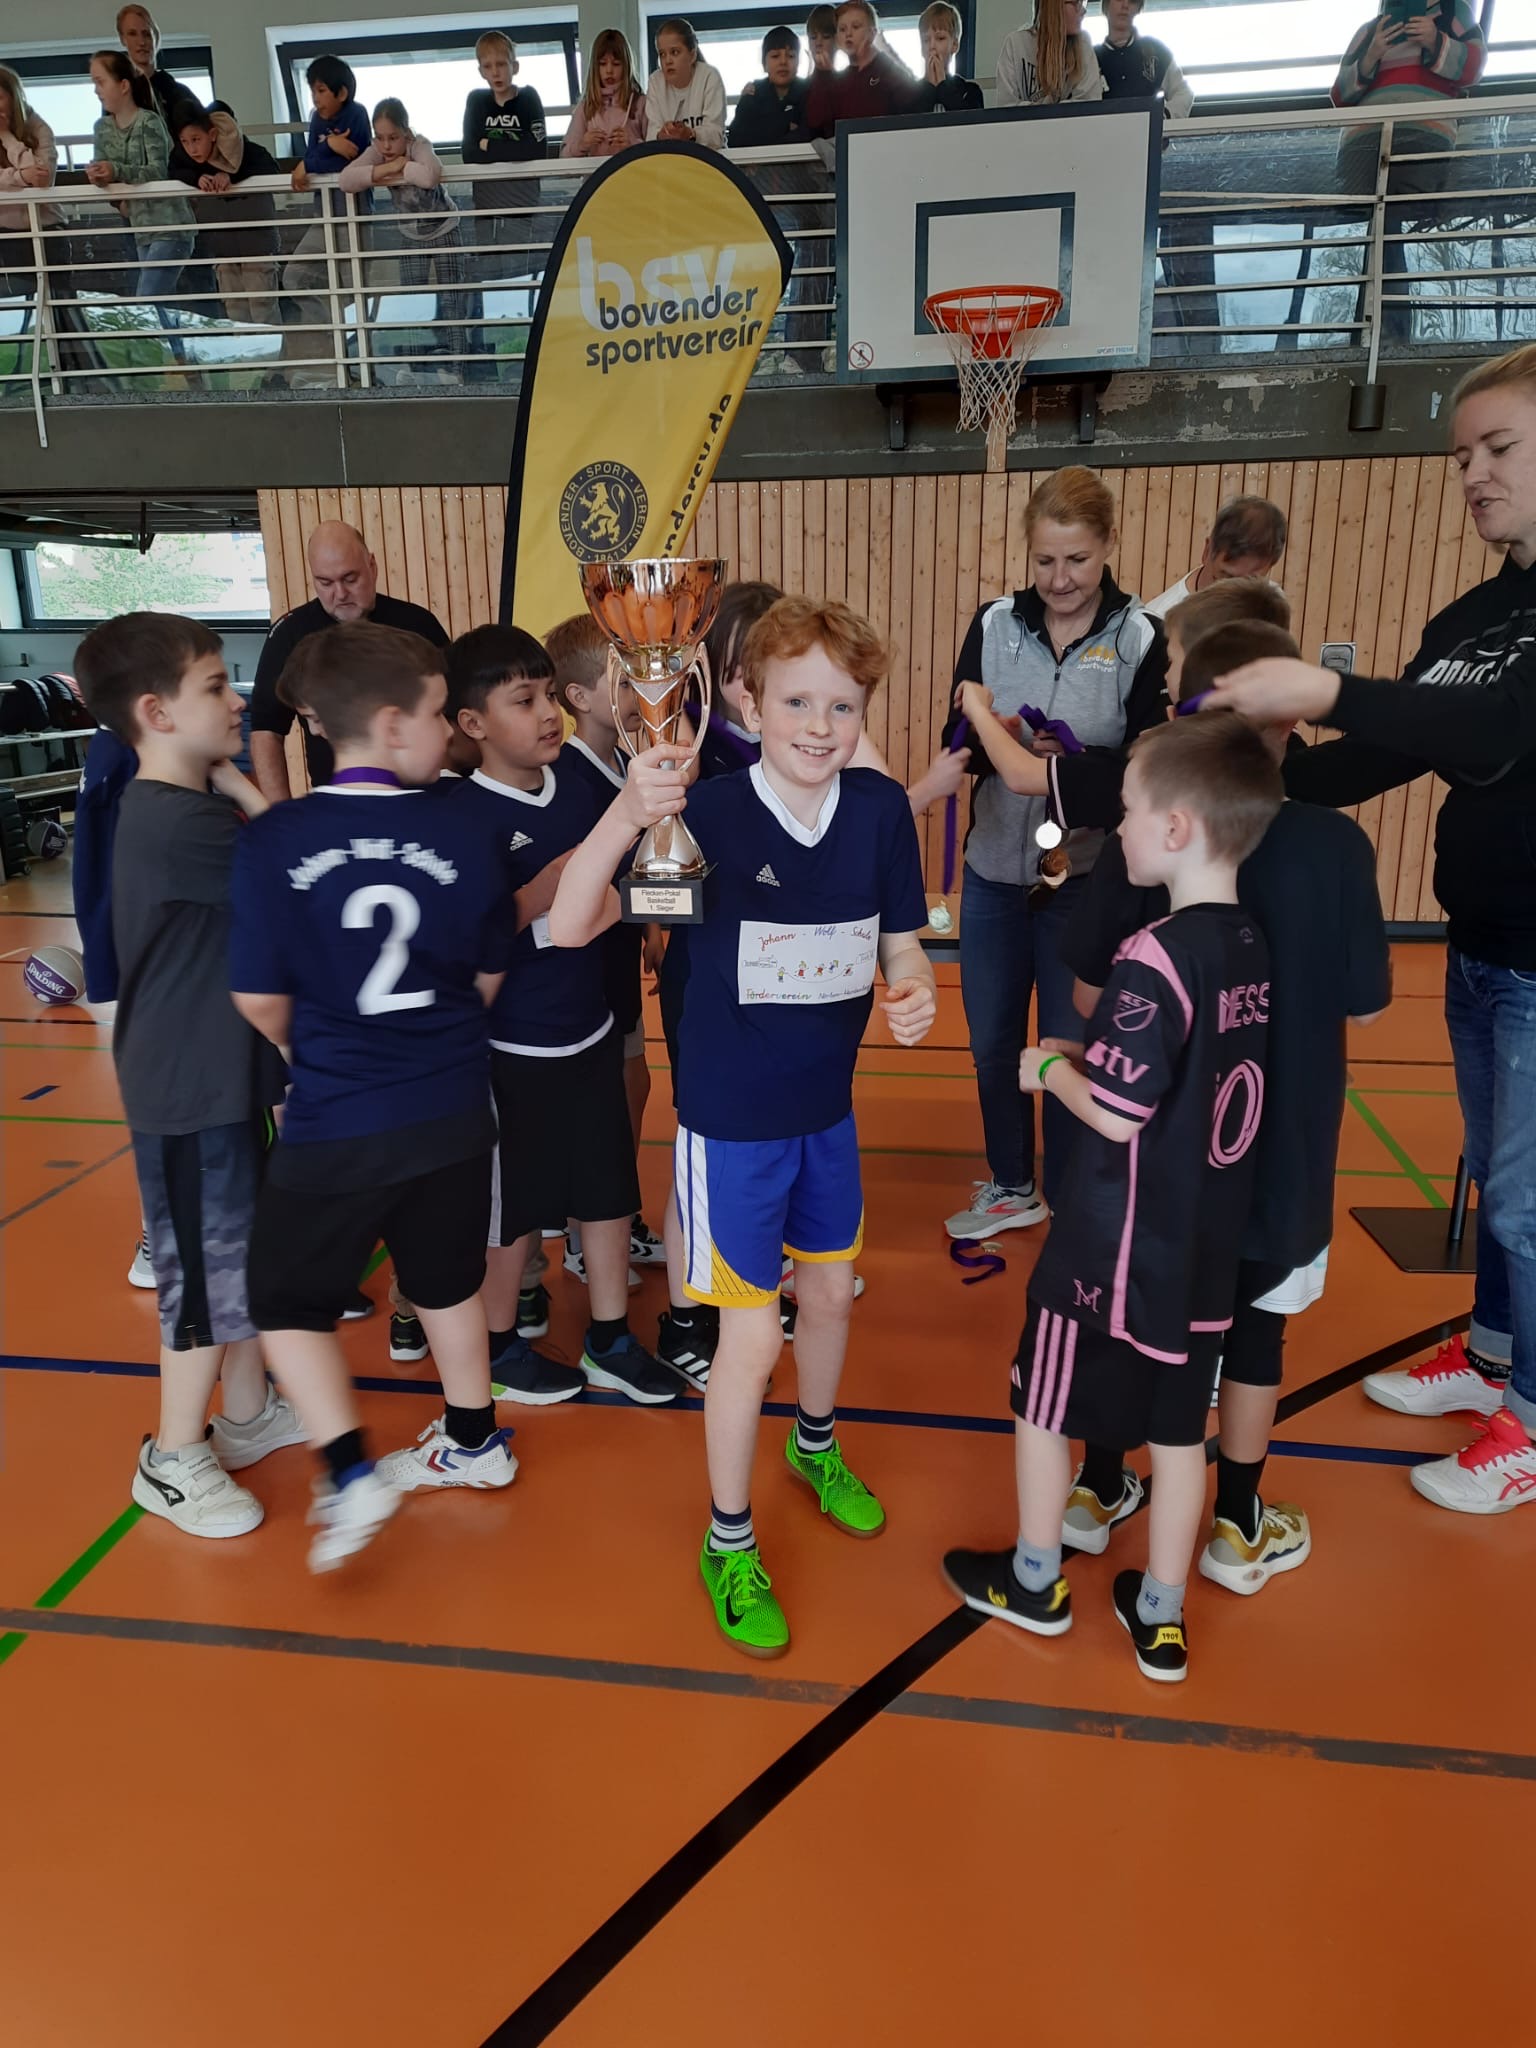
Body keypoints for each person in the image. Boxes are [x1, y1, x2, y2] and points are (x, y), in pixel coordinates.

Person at [550, 596, 937, 1658]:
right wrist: (626, 812)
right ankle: (728, 1538)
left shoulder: (877, 810)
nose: (821, 725)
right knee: (753, 1337)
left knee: (830, 1297)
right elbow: (573, 923)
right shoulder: (707, 816)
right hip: (729, 1129)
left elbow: (901, 943)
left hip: (827, 1116)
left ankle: (815, 1445)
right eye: (798, 702)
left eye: (843, 706)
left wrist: (911, 988)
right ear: (748, 706)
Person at [1209, 343, 1536, 1517]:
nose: (1474, 473)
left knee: (1527, 1201)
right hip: (1484, 939)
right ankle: (1491, 1351)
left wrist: (1327, 691)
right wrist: (1238, 775)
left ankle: (1531, 1420)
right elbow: (1389, 752)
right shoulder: (1474, 613)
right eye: (1462, 455)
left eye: (1499, 448)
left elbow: (1499, 726)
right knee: (1497, 1176)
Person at [944, 713, 1282, 1683]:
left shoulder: (1153, 954)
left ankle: (1035, 1579)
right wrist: (1090, 1057)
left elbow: (1122, 1114)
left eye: (1128, 812)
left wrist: (1050, 1069)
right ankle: (1162, 1617)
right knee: (1177, 1437)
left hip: (1111, 1250)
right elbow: (1183, 1081)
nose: (1118, 828)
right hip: (1200, 1253)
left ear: (1175, 828)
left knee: (1042, 1404)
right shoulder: (1248, 945)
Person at [1057, 611, 1391, 1590]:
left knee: (1136, 1317)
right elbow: (1369, 1004)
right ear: (1288, 716)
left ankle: (1101, 1484)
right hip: (1279, 1157)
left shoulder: (1153, 840)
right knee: (1254, 1334)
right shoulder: (1335, 847)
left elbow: (1088, 996)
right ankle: (1236, 1522)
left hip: (1160, 1161)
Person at [230, 622, 521, 1572]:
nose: (450, 732)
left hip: (339, 1120)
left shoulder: (275, 839)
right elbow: (486, 978)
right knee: (445, 1280)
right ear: (393, 726)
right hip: (455, 1110)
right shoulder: (467, 828)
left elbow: (257, 998)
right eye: (439, 714)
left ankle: (350, 1471)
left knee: (283, 1301)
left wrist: (316, 1048)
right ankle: (473, 1439)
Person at [74, 611, 300, 1540]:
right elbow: (298, 868)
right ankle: (172, 1457)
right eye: (215, 685)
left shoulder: (186, 807)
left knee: (235, 1254)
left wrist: (230, 777)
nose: (238, 698)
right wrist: (243, 784)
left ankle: (245, 1415)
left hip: (220, 1074)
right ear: (156, 712)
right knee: (201, 1278)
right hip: (186, 1087)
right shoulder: (180, 825)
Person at [448, 623, 680, 1408]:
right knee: (511, 1214)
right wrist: (546, 891)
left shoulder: (582, 789)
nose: (548, 713)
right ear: (474, 723)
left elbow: (621, 888)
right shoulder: (463, 815)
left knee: (609, 1191)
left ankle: (611, 1339)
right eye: (524, 701)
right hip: (510, 1051)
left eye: (550, 694)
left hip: (590, 1030)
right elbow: (473, 939)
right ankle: (498, 1347)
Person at [942, 465, 1166, 1241]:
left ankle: (1075, 1197)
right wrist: (996, 735)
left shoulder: (1139, 636)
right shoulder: (995, 623)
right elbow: (957, 738)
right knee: (992, 1043)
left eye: (1076, 559)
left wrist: (1067, 765)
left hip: (1087, 880)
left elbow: (1147, 765)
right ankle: (1012, 1185)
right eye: (1044, 560)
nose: (1059, 578)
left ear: (1108, 545)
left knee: (1071, 1044)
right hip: (995, 873)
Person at [544, 612, 668, 1288]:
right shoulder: (571, 777)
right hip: (586, 974)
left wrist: (650, 926)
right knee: (602, 1106)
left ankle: (618, 1218)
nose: (635, 692)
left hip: (620, 962)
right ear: (579, 697)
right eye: (621, 681)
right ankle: (581, 1233)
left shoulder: (626, 761)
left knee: (635, 1086)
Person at [248, 520, 448, 802]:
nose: (340, 594)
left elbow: (452, 713)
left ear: (372, 567)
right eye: (325, 583)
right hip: (337, 798)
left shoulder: (417, 623)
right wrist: (280, 812)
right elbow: (266, 730)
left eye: (350, 579)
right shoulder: (290, 634)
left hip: (423, 796)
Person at [1332, 2, 1485, 343]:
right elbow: (1339, 95)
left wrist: (1435, 41)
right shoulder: (1370, 30)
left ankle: (1383, 328)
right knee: (1380, 226)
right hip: (1365, 143)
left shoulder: (1454, 15)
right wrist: (1372, 55)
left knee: (1391, 225)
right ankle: (1378, 326)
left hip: (1424, 136)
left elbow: (1473, 69)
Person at [340, 98, 475, 380]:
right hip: (411, 235)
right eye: (380, 138)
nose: (386, 145)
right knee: (414, 302)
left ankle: (458, 369)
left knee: (452, 300)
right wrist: (385, 169)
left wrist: (403, 166)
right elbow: (346, 181)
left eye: (393, 138)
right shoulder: (378, 152)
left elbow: (430, 176)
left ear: (406, 133)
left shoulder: (419, 145)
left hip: (445, 229)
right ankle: (417, 370)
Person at [85, 50, 195, 364]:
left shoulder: (150, 122)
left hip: (171, 225)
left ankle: (159, 365)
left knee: (147, 300)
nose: (96, 90)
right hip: (141, 229)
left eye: (101, 82)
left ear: (123, 85)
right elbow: (104, 171)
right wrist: (99, 175)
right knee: (160, 304)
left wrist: (116, 171)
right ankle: (184, 365)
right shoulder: (101, 128)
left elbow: (158, 171)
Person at [283, 55, 372, 387]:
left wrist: (320, 155)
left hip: (354, 218)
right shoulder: (315, 119)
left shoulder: (357, 114)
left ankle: (360, 368)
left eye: (321, 90)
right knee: (293, 277)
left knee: (354, 293)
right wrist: (329, 146)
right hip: (323, 219)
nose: (315, 98)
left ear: (341, 93)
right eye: (312, 91)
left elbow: (353, 159)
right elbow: (312, 160)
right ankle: (333, 337)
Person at [461, 29, 545, 369]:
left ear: (515, 66)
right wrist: (507, 149)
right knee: (487, 279)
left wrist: (489, 146)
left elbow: (536, 149)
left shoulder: (528, 98)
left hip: (522, 208)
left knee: (522, 277)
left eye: (501, 64)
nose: (495, 72)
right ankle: (483, 354)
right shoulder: (476, 100)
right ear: (480, 70)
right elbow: (469, 153)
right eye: (488, 66)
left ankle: (528, 354)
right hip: (486, 208)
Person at [168, 102, 281, 334]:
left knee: (262, 308)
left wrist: (232, 175)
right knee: (235, 310)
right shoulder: (185, 160)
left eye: (196, 140)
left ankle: (275, 356)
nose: (192, 148)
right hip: (223, 248)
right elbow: (174, 170)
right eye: (185, 141)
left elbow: (271, 168)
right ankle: (245, 356)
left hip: (256, 246)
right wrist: (195, 180)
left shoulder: (249, 152)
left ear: (213, 135)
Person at [1145, 495, 1288, 619]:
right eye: (1227, 578)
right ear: (1207, 551)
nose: (1236, 593)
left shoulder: (1271, 603)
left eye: (1250, 581)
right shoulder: (1160, 622)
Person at [806, 1, 918, 132]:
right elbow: (817, 123)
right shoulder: (838, 82)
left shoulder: (885, 71)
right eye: (842, 29)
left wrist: (879, 59)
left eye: (856, 27)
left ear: (872, 33)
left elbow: (913, 103)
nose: (848, 33)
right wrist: (822, 75)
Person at [0, 66, 59, 305]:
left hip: (46, 230)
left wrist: (7, 138)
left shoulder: (38, 127)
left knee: (56, 307)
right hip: (4, 234)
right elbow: (30, 176)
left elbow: (42, 178)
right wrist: (21, 178)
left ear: (13, 99)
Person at [996, 0, 1105, 106]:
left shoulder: (1083, 45)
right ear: (1053, 7)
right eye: (1075, 2)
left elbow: (1089, 106)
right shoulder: (1015, 45)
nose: (1083, 10)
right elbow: (1006, 108)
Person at [562, 30, 647, 158]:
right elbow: (564, 155)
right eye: (602, 64)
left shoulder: (641, 103)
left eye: (616, 64)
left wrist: (632, 144)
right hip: (596, 171)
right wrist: (582, 145)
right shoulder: (585, 108)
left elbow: (655, 150)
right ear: (595, 68)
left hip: (633, 171)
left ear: (627, 66)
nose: (609, 70)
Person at [1096, 0, 1192, 113]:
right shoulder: (1091, 58)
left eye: (1132, 1)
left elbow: (1183, 92)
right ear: (1106, 5)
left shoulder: (1156, 51)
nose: (1125, 5)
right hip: (1104, 124)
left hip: (1146, 123)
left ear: (1138, 8)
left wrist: (1165, 115)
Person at [646, 19, 728, 150]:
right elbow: (651, 135)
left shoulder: (709, 76)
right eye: (662, 54)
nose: (667, 61)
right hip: (669, 159)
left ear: (692, 55)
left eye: (675, 52)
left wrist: (691, 134)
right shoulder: (655, 82)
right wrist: (661, 135)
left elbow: (716, 135)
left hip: (709, 159)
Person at [115, 5, 196, 126]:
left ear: (155, 37)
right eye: (132, 34)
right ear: (123, 39)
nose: (141, 42)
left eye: (146, 34)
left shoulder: (177, 92)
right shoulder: (117, 96)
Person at [913, 2, 984, 113]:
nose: (932, 46)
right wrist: (929, 88)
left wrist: (943, 86)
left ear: (955, 45)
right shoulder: (909, 93)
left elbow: (970, 120)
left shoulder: (970, 91)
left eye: (940, 38)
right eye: (926, 40)